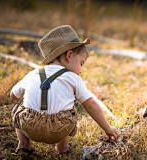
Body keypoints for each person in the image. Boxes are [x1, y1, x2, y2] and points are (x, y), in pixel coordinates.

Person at [10, 25, 119, 155]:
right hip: (59, 130)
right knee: (70, 109)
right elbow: (91, 105)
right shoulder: (73, 78)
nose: (80, 70)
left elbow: (13, 95)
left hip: (30, 127)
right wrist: (107, 128)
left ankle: (24, 146)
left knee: (19, 108)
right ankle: (62, 148)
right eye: (81, 63)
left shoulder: (33, 74)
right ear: (69, 55)